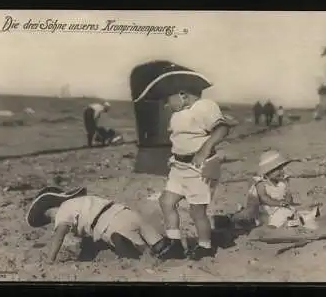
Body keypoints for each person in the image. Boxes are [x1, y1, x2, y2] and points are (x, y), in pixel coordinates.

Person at [158, 89, 236, 261]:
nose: (166, 105)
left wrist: (205, 148)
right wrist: (175, 155)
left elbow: (222, 128)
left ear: (182, 94)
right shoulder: (178, 114)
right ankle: (175, 243)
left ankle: (205, 246)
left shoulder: (204, 106)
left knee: (197, 211)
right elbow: (181, 139)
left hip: (200, 167)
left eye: (167, 99)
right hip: (179, 166)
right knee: (166, 201)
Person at [26, 186, 175, 263]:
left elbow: (59, 236)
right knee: (159, 244)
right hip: (126, 212)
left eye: (50, 219)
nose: (53, 222)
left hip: (111, 225)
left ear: (48, 211)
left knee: (137, 251)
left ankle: (134, 249)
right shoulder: (81, 202)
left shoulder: (62, 212)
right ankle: (166, 246)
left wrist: (50, 259)